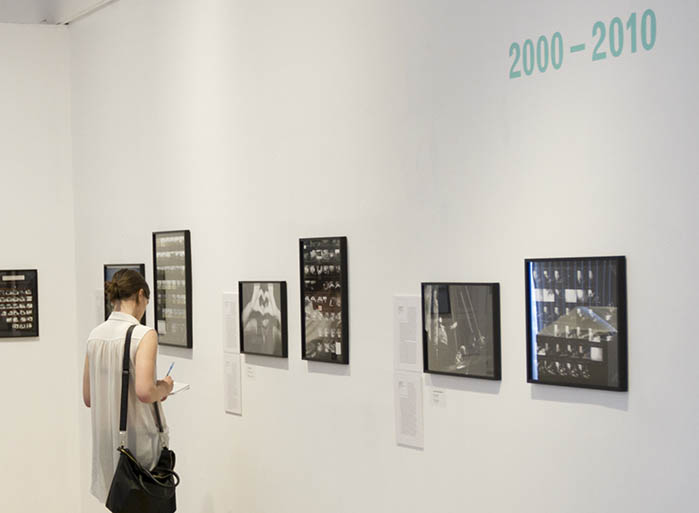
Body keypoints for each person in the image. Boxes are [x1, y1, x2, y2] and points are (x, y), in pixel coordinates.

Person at [82, 269, 174, 503]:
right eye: (146, 303)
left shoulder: (95, 336)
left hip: (107, 443)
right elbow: (144, 392)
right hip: (139, 446)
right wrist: (164, 387)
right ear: (141, 295)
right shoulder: (143, 335)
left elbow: (89, 397)